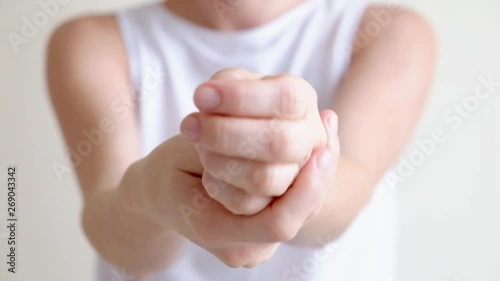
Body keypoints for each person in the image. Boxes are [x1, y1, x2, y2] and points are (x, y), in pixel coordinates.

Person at [46, 0, 435, 280]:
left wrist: (299, 170)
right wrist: (153, 191)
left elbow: (347, 199)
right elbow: (123, 244)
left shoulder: (390, 31)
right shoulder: (93, 42)